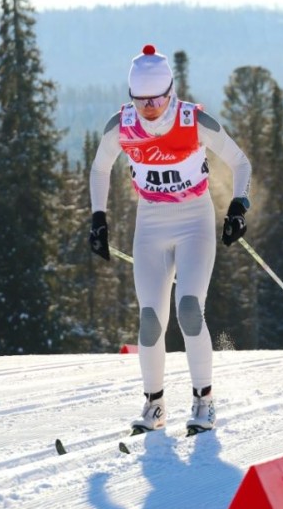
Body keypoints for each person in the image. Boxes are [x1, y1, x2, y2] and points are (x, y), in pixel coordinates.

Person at [88, 44, 252, 436]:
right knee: (149, 321)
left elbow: (240, 162)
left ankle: (204, 402)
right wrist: (98, 218)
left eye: (157, 99)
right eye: (141, 100)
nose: (149, 108)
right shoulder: (122, 125)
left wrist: (238, 206)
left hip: (195, 221)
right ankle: (154, 406)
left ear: (170, 91)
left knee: (190, 310)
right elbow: (99, 169)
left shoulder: (194, 119)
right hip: (151, 225)